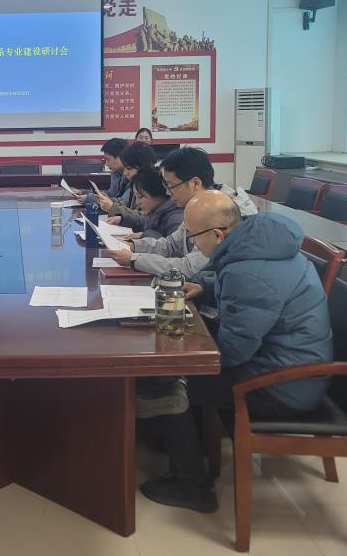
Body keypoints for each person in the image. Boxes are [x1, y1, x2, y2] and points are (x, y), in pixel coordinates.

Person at [140, 189, 332, 513]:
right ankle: (186, 446)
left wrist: (183, 346)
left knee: (170, 382)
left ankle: (192, 486)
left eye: (192, 236)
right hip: (289, 363)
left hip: (284, 385)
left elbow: (231, 352)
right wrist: (205, 287)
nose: (191, 244)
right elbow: (242, 291)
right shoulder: (260, 246)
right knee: (177, 366)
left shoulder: (249, 272)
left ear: (217, 234)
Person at [107, 146, 257, 277]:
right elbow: (171, 245)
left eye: (171, 186)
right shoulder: (197, 206)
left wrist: (134, 259)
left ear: (195, 183)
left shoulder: (223, 213)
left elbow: (191, 268)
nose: (167, 193)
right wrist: (133, 246)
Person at [112, 167, 183, 238]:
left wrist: (144, 235)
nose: (137, 202)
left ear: (157, 193)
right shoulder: (158, 212)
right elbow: (144, 221)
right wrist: (123, 220)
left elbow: (170, 243)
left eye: (141, 197)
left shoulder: (175, 220)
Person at [98, 142, 158, 218]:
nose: (125, 173)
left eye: (129, 168)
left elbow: (144, 217)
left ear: (144, 166)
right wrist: (108, 201)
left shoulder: (152, 186)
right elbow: (126, 203)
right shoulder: (136, 182)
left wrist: (113, 208)